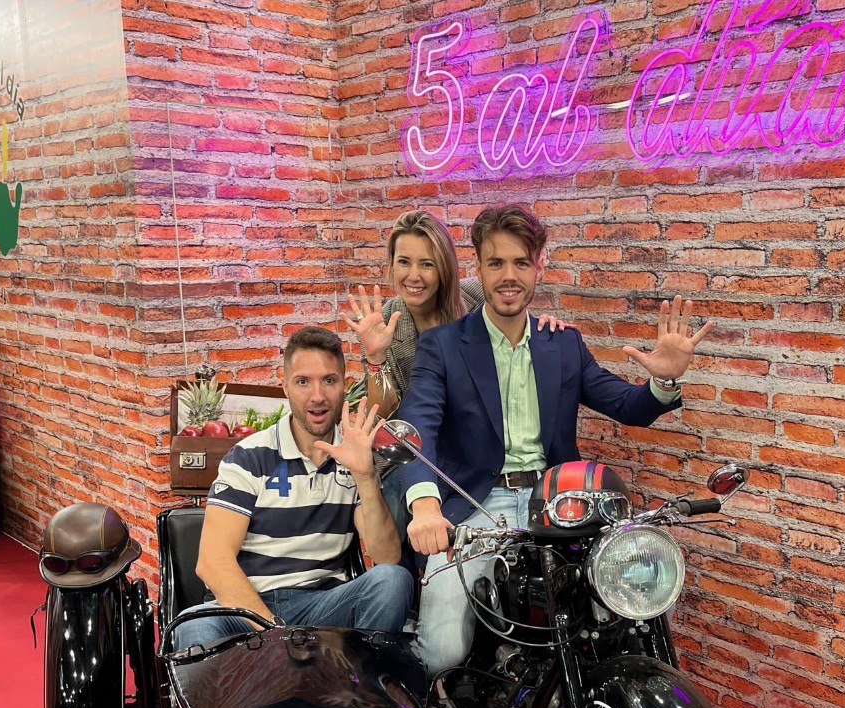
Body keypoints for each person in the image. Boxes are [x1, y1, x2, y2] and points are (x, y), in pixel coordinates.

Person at [398, 203, 714, 680]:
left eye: (521, 262)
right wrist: (425, 506)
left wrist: (664, 381)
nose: (509, 276)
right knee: (442, 651)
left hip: (560, 500)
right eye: (496, 263)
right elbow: (416, 424)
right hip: (478, 505)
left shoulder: (563, 343)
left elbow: (626, 405)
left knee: (641, 597)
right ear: (478, 266)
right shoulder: (442, 345)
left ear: (539, 265)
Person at [174, 327, 412, 647]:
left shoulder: (352, 456)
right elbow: (213, 563)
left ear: (344, 385)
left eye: (329, 380)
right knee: (194, 628)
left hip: (321, 605)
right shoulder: (248, 457)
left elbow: (386, 557)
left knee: (393, 580)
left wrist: (366, 476)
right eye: (303, 382)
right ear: (285, 386)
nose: (318, 396)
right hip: (246, 606)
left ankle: (352, 678)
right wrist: (277, 636)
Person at [343, 209, 564, 417]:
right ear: (392, 265)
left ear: (444, 267)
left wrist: (541, 329)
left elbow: (517, 328)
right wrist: (376, 358)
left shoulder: (479, 295)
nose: (414, 276)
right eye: (403, 262)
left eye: (427, 264)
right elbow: (387, 417)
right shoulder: (381, 324)